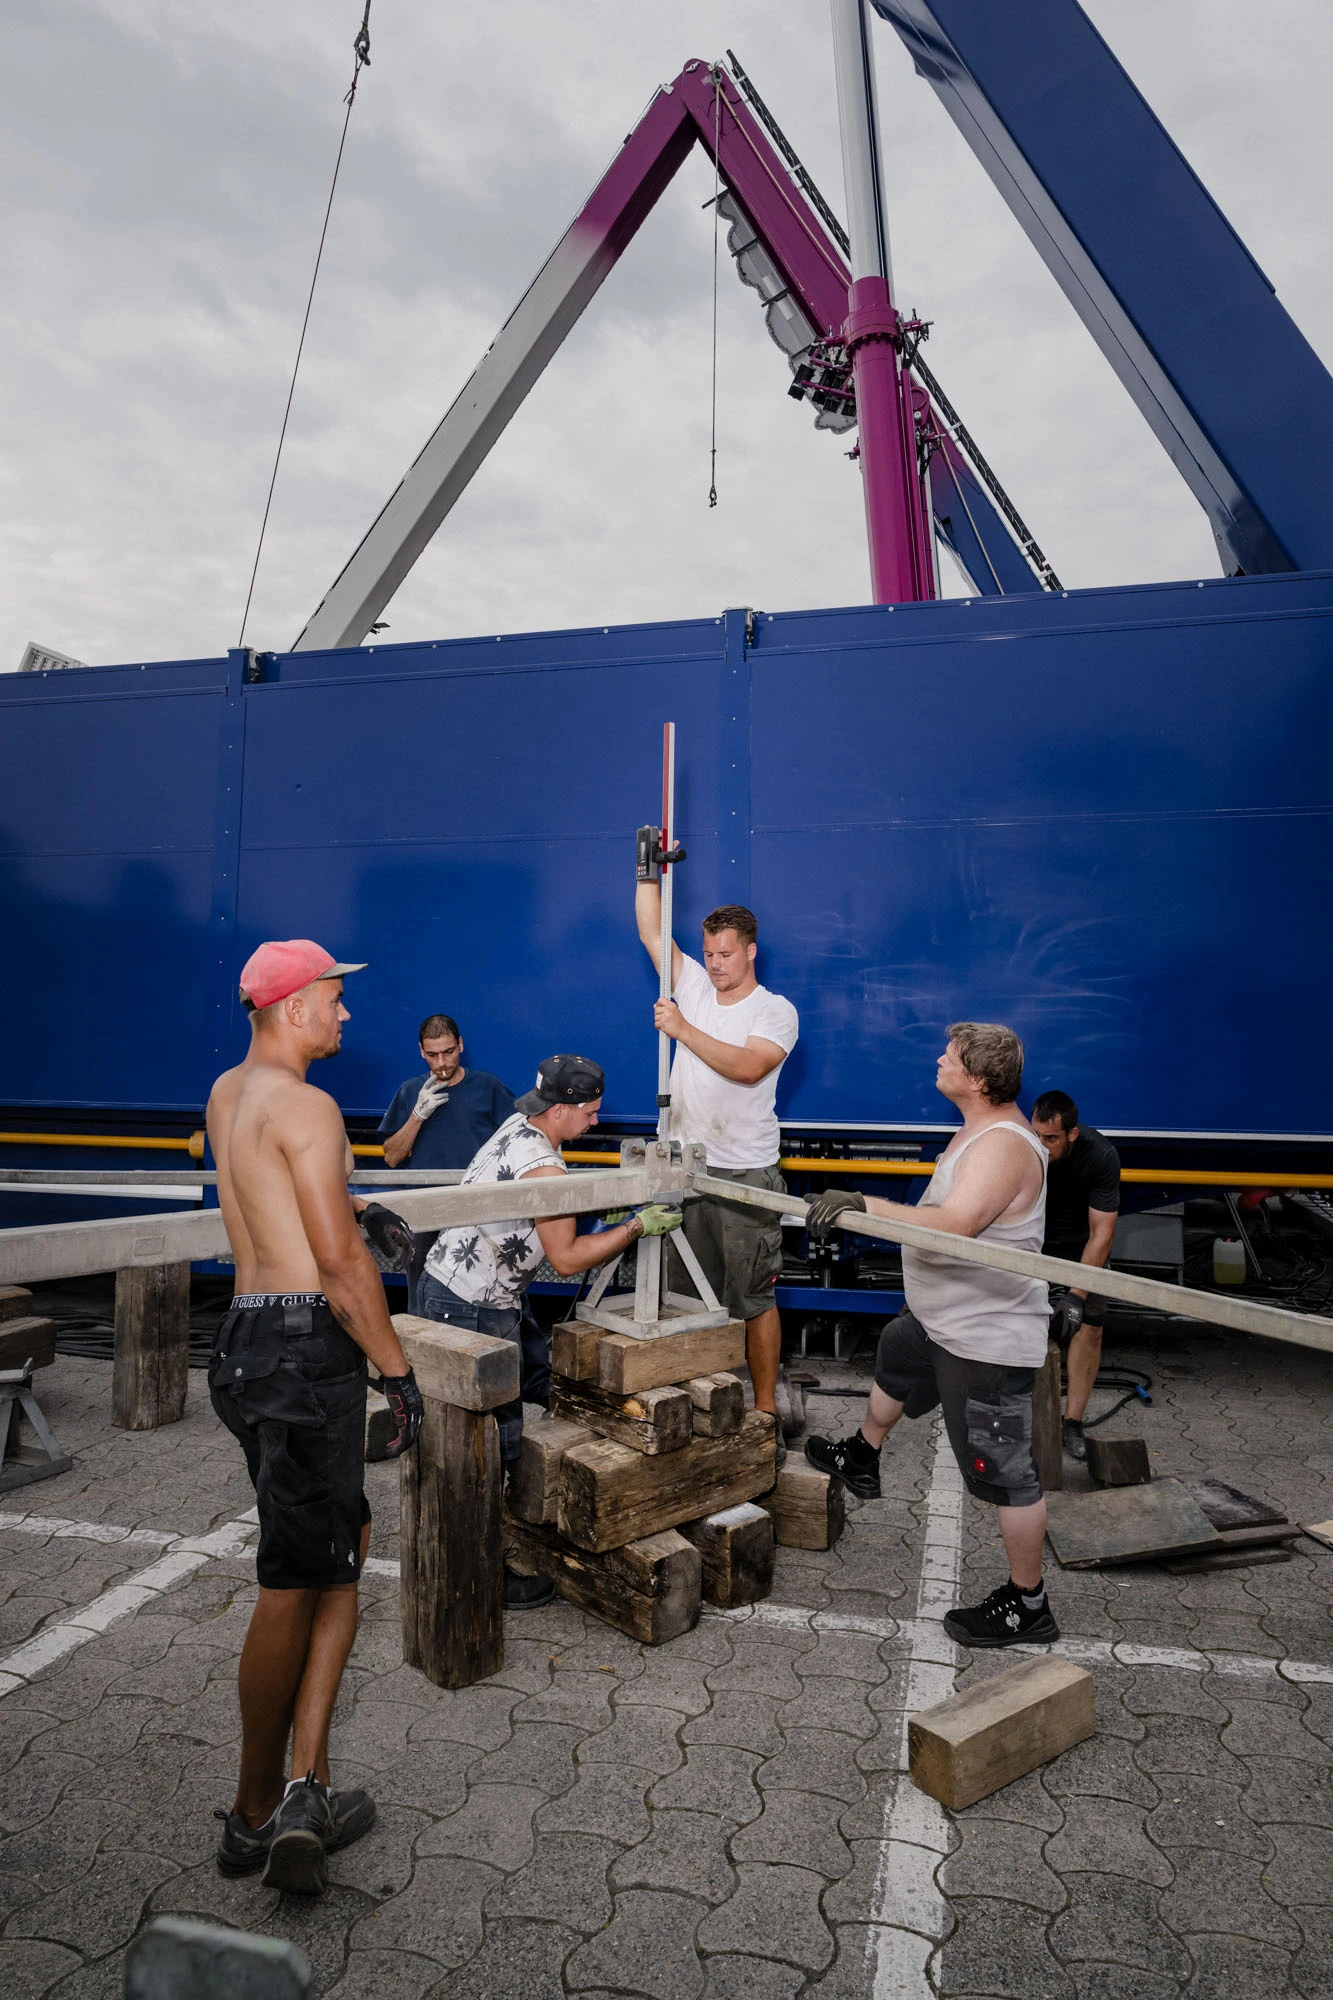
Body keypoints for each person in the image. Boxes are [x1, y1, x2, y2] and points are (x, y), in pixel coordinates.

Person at [206, 939, 424, 1895]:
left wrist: (355, 1196)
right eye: (336, 1000)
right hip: (304, 1352)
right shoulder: (310, 1103)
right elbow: (339, 1268)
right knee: (295, 1579)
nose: (345, 1016)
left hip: (244, 1343)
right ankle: (256, 1815)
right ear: (293, 1008)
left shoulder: (229, 1091)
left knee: (340, 1546)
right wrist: (397, 1370)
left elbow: (273, 1196)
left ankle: (310, 1784)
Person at [804, 1024, 1059, 1649]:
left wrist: (860, 1202)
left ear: (976, 1079)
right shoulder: (978, 1129)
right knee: (897, 1351)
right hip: (941, 1321)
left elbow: (955, 1225)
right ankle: (862, 1456)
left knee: (1002, 1472)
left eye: (950, 1056)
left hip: (984, 1338)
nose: (938, 1060)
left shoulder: (1003, 1145)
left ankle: (1029, 1604)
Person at [417, 1053, 682, 1606]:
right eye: (588, 1112)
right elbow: (564, 1260)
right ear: (559, 1108)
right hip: (471, 1308)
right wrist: (633, 1226)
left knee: (540, 1381)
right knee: (490, 1445)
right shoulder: (544, 1167)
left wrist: (595, 1217)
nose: (594, 1122)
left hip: (461, 1289)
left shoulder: (521, 1127)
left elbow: (547, 1221)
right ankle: (482, 1574)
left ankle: (528, 1518)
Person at [634, 880, 798, 1430]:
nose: (715, 963)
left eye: (725, 953)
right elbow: (651, 931)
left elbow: (749, 1067)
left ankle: (766, 1410)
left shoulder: (774, 1011)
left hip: (745, 1171)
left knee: (752, 1298)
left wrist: (683, 1027)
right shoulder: (697, 986)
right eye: (708, 954)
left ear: (751, 950)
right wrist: (647, 872)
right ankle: (697, 1405)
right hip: (687, 1168)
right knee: (686, 1297)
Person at [378, 1014, 515, 1308]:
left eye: (448, 1052)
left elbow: (517, 1143)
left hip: (477, 1210)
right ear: (420, 1051)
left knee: (489, 1292)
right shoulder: (410, 1091)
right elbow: (392, 1156)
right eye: (432, 1054)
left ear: (461, 1045)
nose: (441, 1062)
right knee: (420, 1294)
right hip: (426, 1212)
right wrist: (417, 1115)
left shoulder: (487, 1088)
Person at [1030, 1089, 1121, 1462]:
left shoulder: (1100, 1156)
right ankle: (1010, 1416)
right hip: (1031, 1242)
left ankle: (1072, 1422)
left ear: (1072, 1134)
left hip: (1081, 1245)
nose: (1041, 1145)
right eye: (1036, 1134)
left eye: (1050, 1138)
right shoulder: (1022, 1148)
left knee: (1089, 1328)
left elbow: (1103, 1233)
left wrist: (1077, 1296)